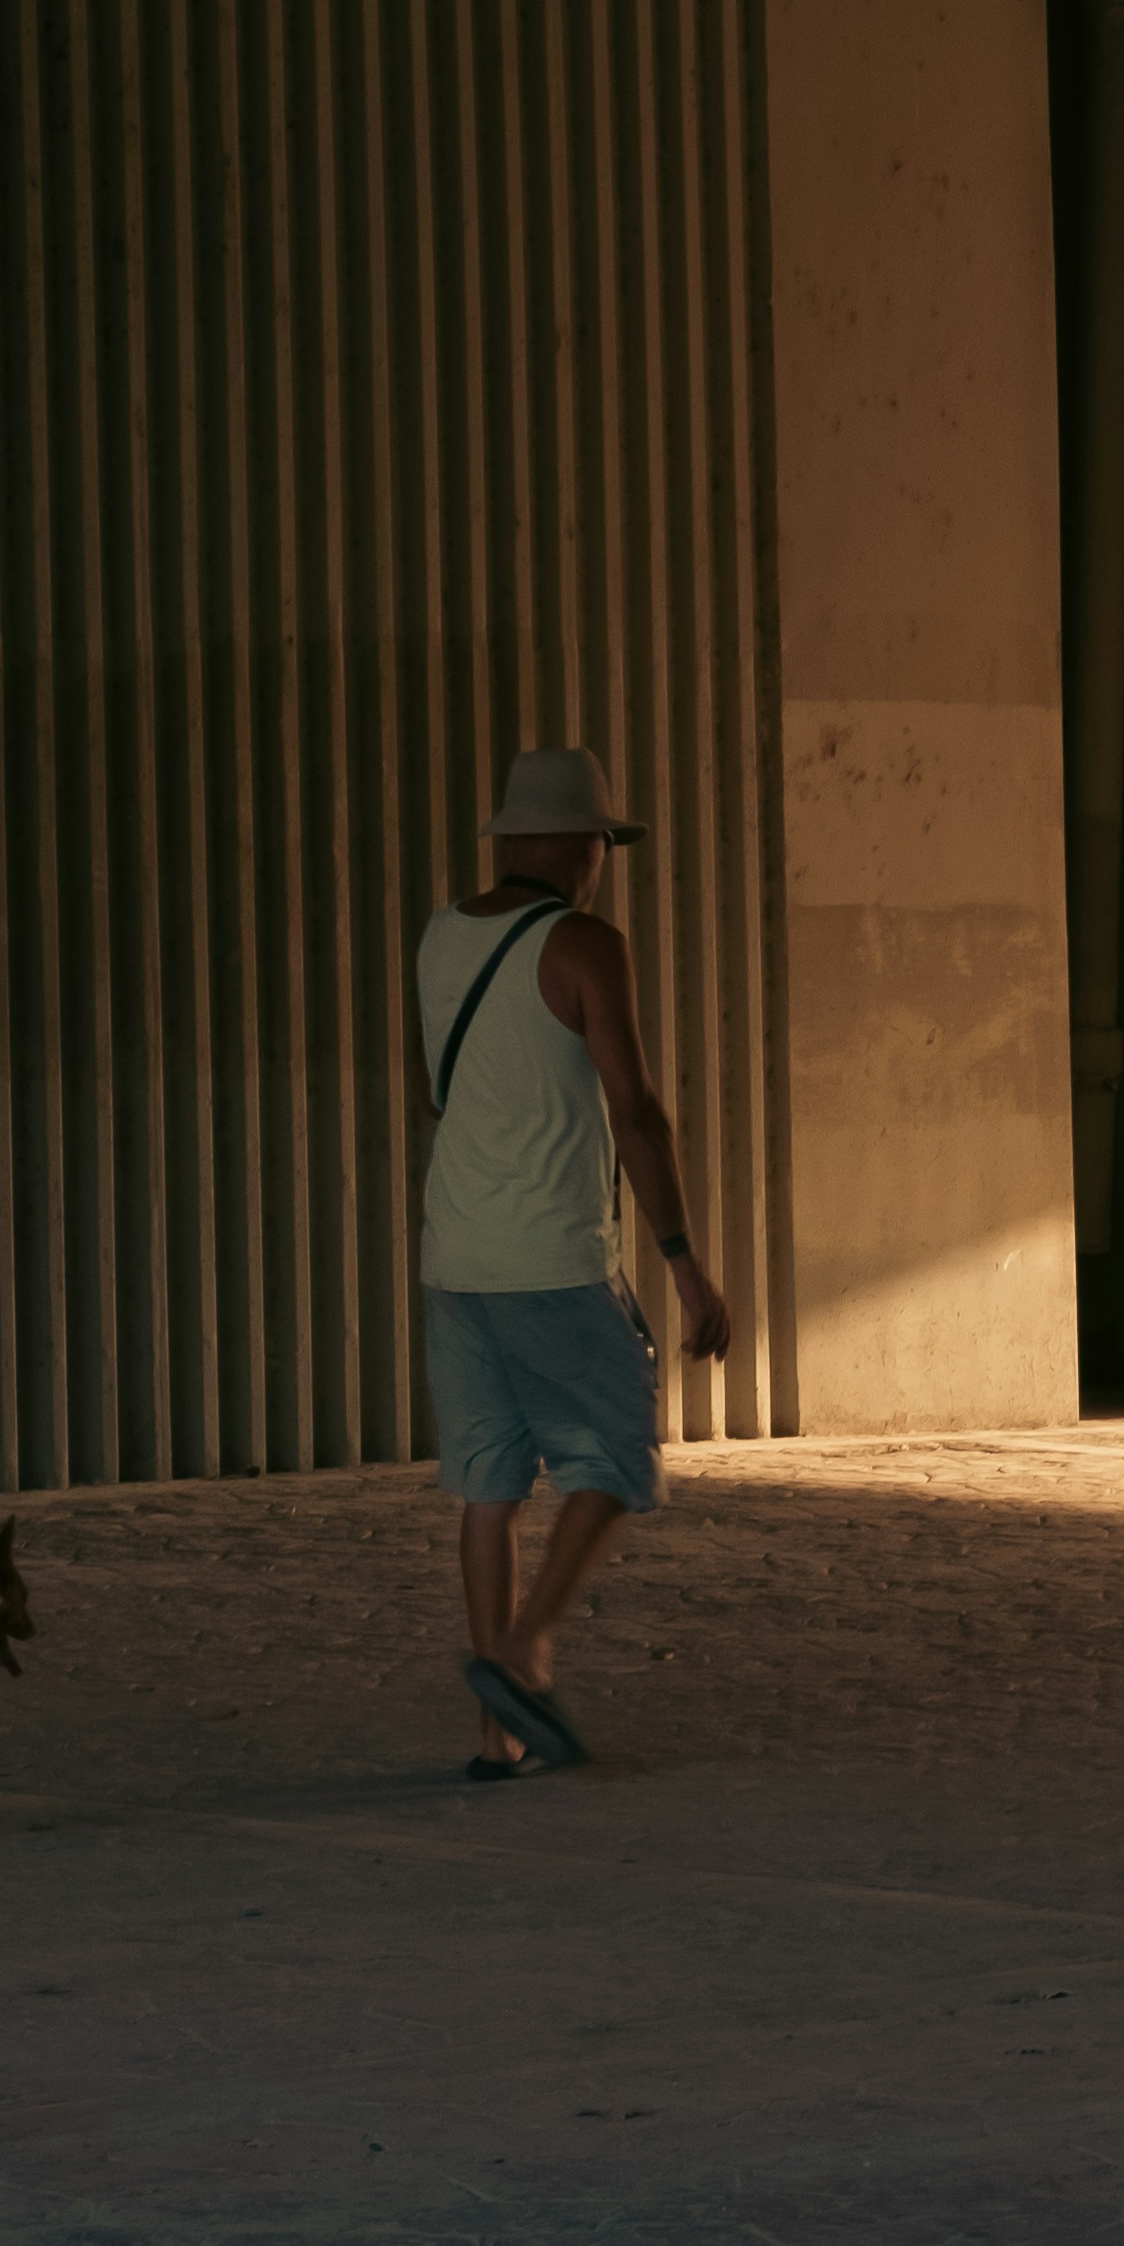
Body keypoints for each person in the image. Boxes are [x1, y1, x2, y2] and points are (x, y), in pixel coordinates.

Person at [410, 746, 734, 1778]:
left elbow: (432, 1090)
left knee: (488, 1486)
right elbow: (636, 1110)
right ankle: (523, 1648)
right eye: (604, 842)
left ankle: (493, 1735)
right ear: (578, 843)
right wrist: (681, 1258)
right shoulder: (585, 940)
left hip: (453, 1255)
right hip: (552, 1255)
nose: (604, 862)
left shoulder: (438, 936)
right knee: (618, 1451)